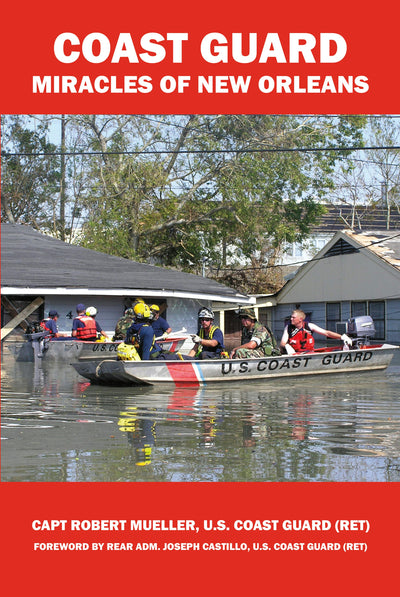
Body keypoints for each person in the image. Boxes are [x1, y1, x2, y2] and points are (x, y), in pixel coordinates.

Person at [280, 309, 353, 354]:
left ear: (300, 319)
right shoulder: (288, 328)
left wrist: (342, 337)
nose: (291, 319)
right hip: (295, 354)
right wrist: (286, 346)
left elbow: (326, 333)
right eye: (291, 317)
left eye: (293, 317)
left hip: (309, 353)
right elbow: (282, 343)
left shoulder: (310, 326)